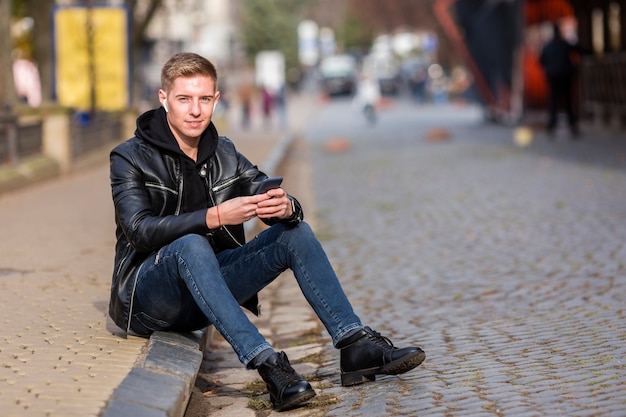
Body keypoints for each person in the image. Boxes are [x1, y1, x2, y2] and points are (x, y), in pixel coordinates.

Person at [108, 52, 425, 411]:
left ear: (216, 99)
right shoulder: (129, 156)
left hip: (210, 291)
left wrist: (286, 206)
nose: (195, 110)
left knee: (296, 233)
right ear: (164, 99)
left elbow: (261, 186)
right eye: (184, 99)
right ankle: (269, 365)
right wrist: (213, 216)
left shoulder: (223, 151)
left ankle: (355, 345)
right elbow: (138, 231)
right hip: (150, 298)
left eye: (204, 99)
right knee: (191, 245)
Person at [540, 22, 580, 137]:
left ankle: (552, 125)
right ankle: (572, 125)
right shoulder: (564, 44)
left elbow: (541, 60)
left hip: (553, 76)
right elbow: (577, 49)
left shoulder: (548, 46)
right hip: (565, 75)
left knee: (553, 100)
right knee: (568, 100)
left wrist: (548, 68)